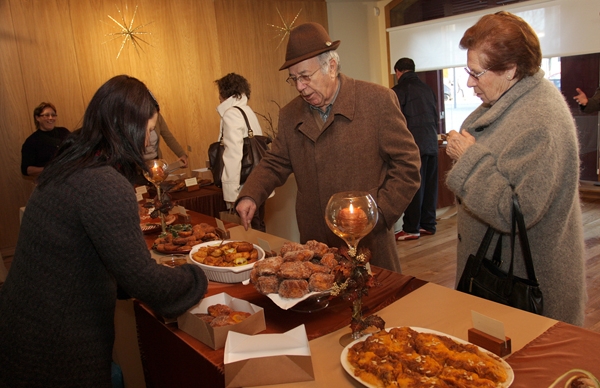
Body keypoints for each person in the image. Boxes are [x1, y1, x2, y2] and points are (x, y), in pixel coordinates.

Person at [0, 75, 208, 387]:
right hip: (56, 348)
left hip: (22, 330)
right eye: (149, 130)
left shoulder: (72, 163)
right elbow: (144, 280)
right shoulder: (104, 182)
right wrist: (197, 275)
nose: (152, 140)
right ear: (128, 128)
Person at [235, 22, 421, 273]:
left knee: (376, 308)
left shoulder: (377, 101)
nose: (300, 86)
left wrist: (377, 213)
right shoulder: (290, 115)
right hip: (317, 249)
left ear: (331, 67)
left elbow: (408, 165)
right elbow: (275, 162)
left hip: (369, 244)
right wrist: (251, 193)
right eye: (294, 79)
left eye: (305, 77)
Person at [445, 11, 587, 325]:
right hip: (502, 276)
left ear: (511, 69)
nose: (469, 82)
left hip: (523, 292)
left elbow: (515, 211)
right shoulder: (515, 98)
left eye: (476, 72)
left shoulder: (540, 120)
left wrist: (468, 159)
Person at [392, 58, 439, 241]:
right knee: (429, 186)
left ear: (398, 72)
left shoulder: (398, 91)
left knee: (413, 186)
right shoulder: (428, 89)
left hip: (412, 145)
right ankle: (428, 224)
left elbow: (395, 122)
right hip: (432, 142)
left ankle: (411, 228)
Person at [215, 73, 267, 232]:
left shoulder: (231, 113)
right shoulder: (247, 111)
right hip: (258, 180)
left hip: (243, 185)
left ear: (224, 93)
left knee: (248, 231)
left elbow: (233, 155)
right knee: (258, 225)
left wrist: (231, 195)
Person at [20, 102, 70, 177]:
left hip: (72, 176)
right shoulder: (31, 141)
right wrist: (52, 169)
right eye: (46, 115)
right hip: (50, 182)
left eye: (53, 115)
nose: (50, 118)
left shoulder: (64, 131)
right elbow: (26, 170)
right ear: (37, 118)